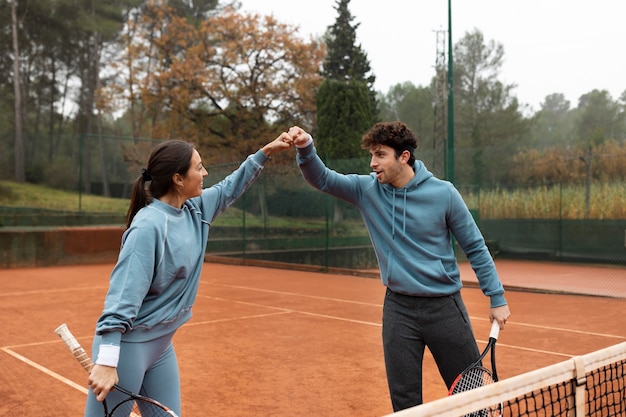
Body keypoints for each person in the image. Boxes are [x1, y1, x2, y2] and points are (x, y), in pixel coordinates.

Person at [289, 122, 511, 412]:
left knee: (470, 398)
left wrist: (496, 297)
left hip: (445, 309)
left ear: (403, 157)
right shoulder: (366, 189)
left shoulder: (444, 194)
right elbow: (322, 179)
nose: (373, 163)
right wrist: (306, 146)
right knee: (405, 403)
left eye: (380, 155)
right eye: (371, 155)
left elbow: (475, 247)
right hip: (399, 310)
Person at [84, 134, 293, 416]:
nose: (205, 173)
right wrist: (107, 359)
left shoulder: (196, 209)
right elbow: (122, 296)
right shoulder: (147, 228)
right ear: (178, 179)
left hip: (161, 346)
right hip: (126, 350)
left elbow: (232, 186)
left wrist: (265, 152)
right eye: (199, 167)